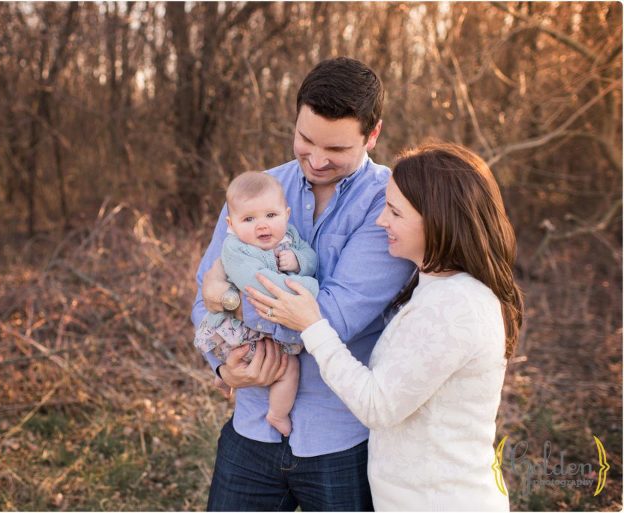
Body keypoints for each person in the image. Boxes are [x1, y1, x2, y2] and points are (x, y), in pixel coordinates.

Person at [245, 142, 524, 511]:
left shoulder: (457, 307)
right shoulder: (435, 289)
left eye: (394, 211)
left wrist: (313, 326)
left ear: (438, 218)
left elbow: (378, 405)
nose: (381, 222)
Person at [191, 57, 415, 511]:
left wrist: (232, 302)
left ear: (372, 134)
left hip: (342, 442)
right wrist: (222, 366)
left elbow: (334, 318)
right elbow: (202, 297)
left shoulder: (390, 204)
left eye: (335, 149)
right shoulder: (257, 190)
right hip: (252, 427)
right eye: (304, 139)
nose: (315, 159)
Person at [194, 171, 319, 437]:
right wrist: (310, 287)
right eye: (249, 219)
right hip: (242, 331)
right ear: (231, 224)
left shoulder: (290, 237)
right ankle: (277, 414)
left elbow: (312, 258)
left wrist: (298, 261)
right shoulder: (235, 249)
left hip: (268, 325)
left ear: (286, 214)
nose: (262, 226)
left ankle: (224, 376)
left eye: (271, 216)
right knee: (289, 367)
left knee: (277, 361)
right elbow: (260, 286)